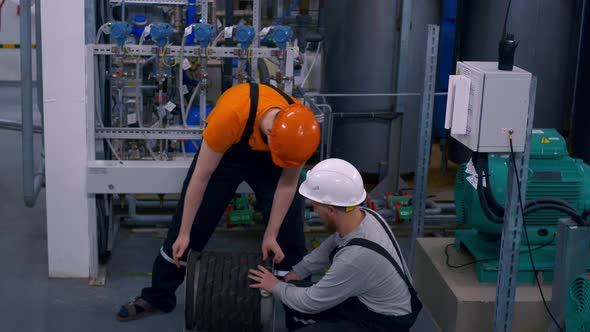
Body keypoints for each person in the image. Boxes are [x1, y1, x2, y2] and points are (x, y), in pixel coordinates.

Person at [116, 83, 320, 321]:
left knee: (289, 233)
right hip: (228, 154)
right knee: (189, 230)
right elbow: (200, 178)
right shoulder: (230, 115)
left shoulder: (299, 131)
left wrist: (271, 234)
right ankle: (157, 297)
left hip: (270, 161)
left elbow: (287, 185)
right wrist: (184, 232)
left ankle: (300, 311)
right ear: (270, 136)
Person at [248, 158, 423, 332]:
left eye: (315, 205)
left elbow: (310, 302)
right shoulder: (365, 216)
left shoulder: (354, 258)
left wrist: (275, 285)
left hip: (383, 322)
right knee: (293, 293)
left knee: (295, 298)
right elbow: (330, 246)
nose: (314, 209)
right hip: (367, 301)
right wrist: (299, 271)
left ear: (331, 210)